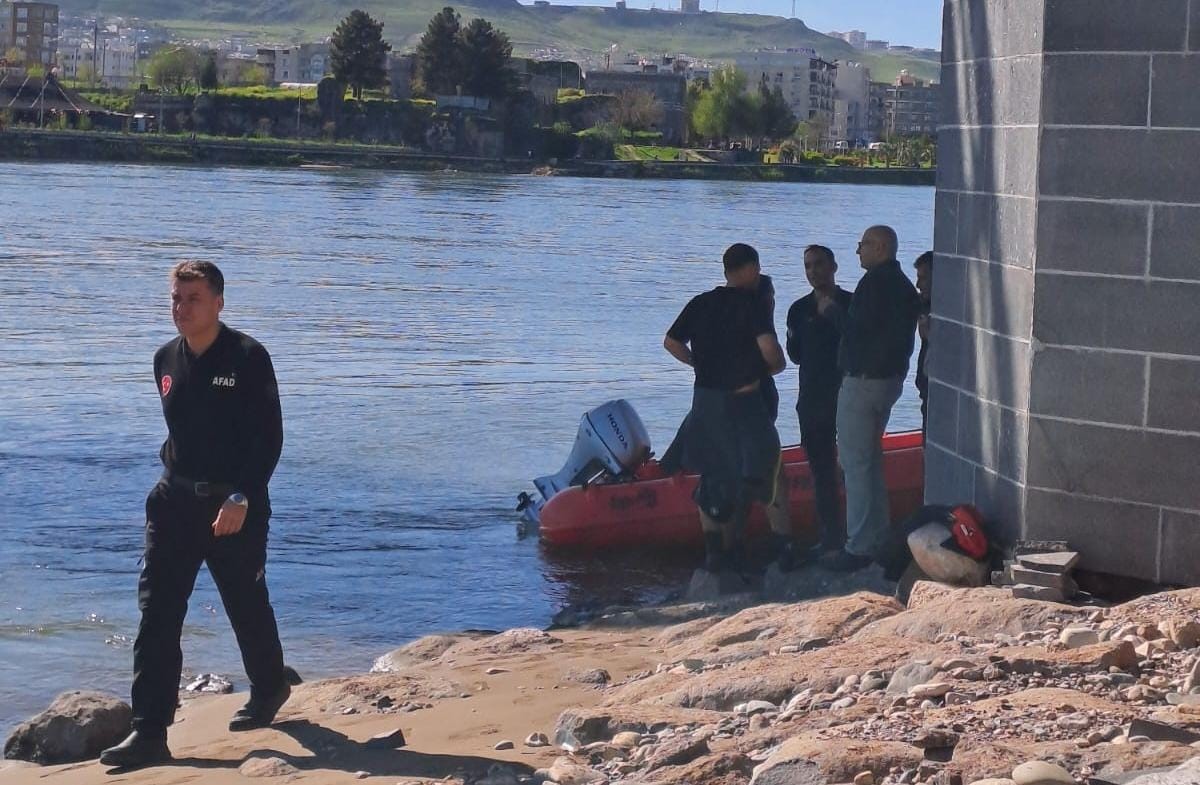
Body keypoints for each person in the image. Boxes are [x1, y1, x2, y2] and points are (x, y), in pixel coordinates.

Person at [102, 261, 290, 768]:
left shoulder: (249, 357)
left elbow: (269, 438)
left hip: (235, 505)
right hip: (174, 503)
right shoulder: (165, 359)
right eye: (176, 299)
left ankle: (270, 685)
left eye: (193, 299)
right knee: (157, 613)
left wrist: (243, 496)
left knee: (246, 604)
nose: (181, 309)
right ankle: (149, 731)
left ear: (219, 303)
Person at [664, 244, 787, 573]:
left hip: (705, 400)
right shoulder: (752, 303)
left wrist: (698, 365)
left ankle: (715, 552)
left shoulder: (701, 302)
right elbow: (771, 353)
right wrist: (767, 370)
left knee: (712, 471)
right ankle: (779, 545)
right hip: (743, 400)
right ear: (749, 269)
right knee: (767, 466)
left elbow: (671, 342)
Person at [817, 226, 920, 572]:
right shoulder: (905, 285)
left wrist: (831, 311)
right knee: (872, 461)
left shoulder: (875, 283)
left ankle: (858, 546)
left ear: (879, 247)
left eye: (862, 246)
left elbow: (857, 331)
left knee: (855, 465)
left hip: (863, 381)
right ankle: (878, 537)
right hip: (890, 381)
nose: (858, 252)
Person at [782, 245, 853, 569]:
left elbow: (859, 342)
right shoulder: (798, 309)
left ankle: (857, 533)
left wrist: (834, 318)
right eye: (808, 266)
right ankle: (830, 535)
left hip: (847, 392)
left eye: (819, 265)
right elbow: (794, 353)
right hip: (812, 396)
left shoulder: (850, 303)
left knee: (853, 465)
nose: (813, 272)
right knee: (821, 469)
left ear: (834, 266)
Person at [914, 251, 934, 435]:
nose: (918, 285)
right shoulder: (924, 306)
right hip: (927, 389)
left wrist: (930, 336)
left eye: (924, 278)